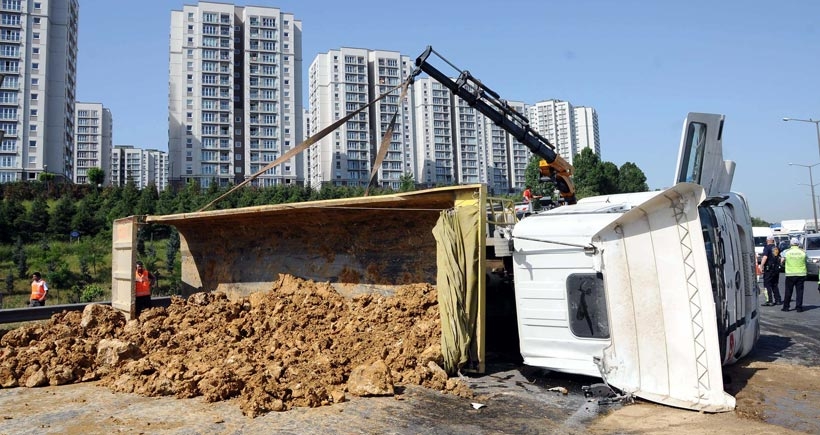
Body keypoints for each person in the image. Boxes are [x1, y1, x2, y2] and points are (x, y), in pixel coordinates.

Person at [781, 237, 807, 313]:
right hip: (801, 274)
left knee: (788, 291)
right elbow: (806, 260)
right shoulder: (803, 252)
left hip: (790, 274)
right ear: (798, 244)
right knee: (799, 292)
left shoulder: (786, 251)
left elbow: (782, 261)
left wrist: (783, 264)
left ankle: (786, 307)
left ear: (791, 244)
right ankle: (799, 308)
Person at [759, 235, 783, 306]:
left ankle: (769, 300)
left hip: (769, 268)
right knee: (775, 284)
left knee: (767, 285)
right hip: (776, 269)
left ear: (768, 240)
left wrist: (761, 266)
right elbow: (780, 258)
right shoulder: (776, 248)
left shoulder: (767, 248)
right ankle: (778, 300)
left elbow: (765, 257)